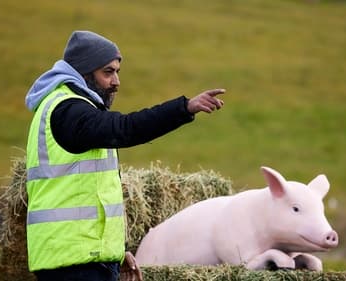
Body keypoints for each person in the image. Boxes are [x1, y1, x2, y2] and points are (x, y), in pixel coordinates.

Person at [24, 30, 226, 281]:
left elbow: (90, 194)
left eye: (117, 72)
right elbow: (125, 129)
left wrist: (115, 254)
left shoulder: (77, 109)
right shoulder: (69, 111)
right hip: (72, 264)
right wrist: (184, 108)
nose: (116, 81)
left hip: (87, 258)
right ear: (84, 72)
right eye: (108, 72)